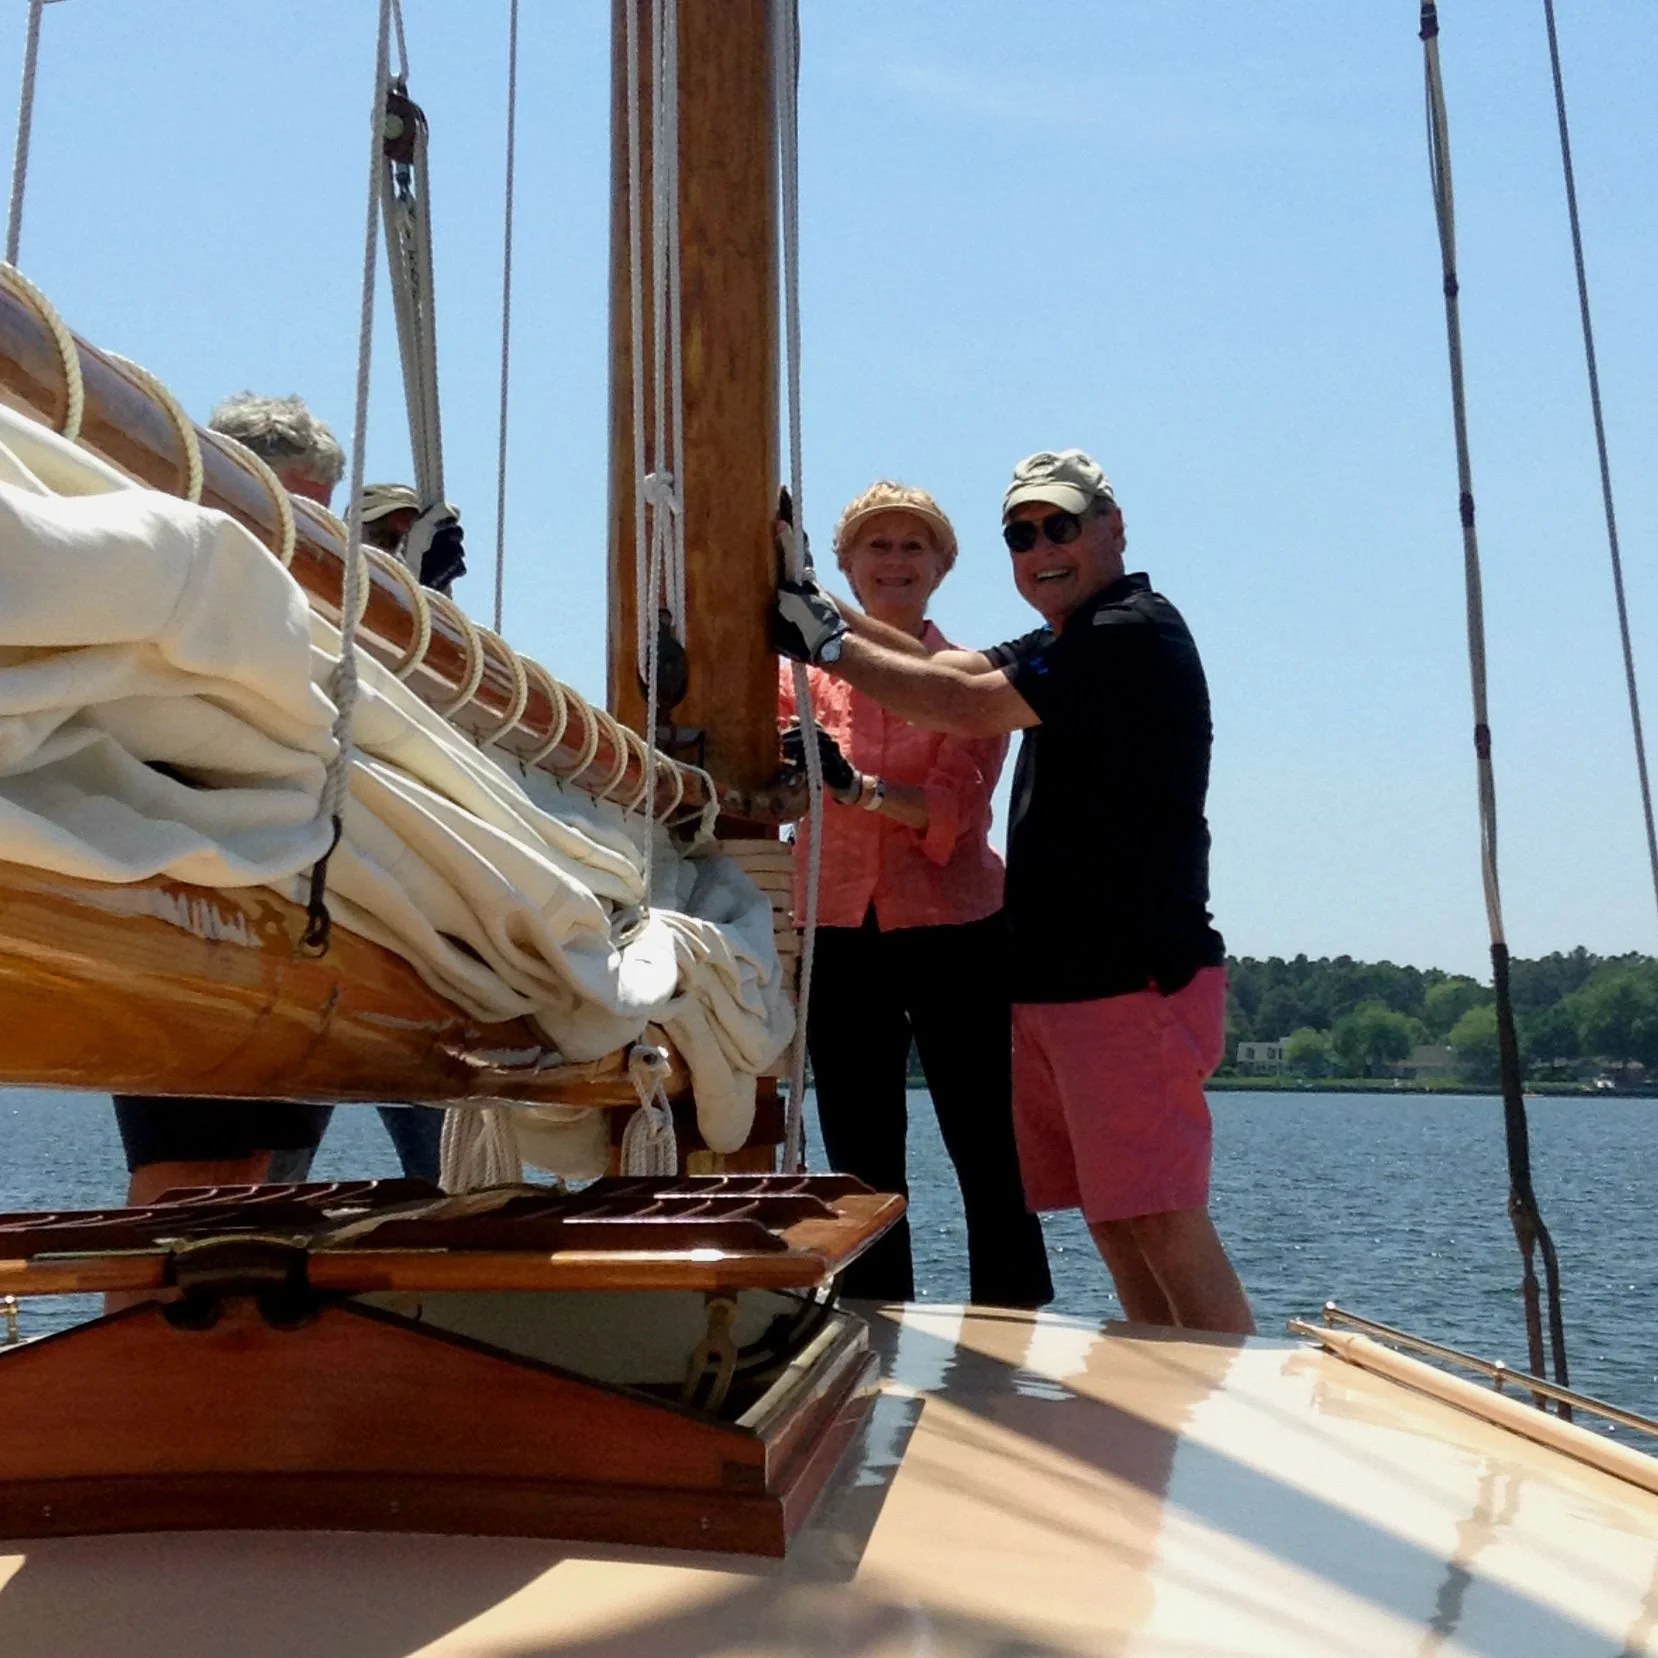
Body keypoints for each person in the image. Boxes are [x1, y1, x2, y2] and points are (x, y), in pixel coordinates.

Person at [774, 450, 1254, 1335]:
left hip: (1123, 974)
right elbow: (954, 682)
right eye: (1022, 535)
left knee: (1148, 1211)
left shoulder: (1127, 632)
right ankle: (1160, 1408)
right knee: (1116, 1218)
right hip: (1051, 978)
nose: (1041, 547)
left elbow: (959, 710)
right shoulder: (1069, 636)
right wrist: (809, 609)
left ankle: (1223, 1423)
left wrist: (825, 645)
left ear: (1112, 529)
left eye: (1061, 527)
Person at [111, 397, 441, 1203]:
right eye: (289, 512)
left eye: (317, 522)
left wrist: (412, 604)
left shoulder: (309, 612)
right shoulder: (167, 577)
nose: (301, 539)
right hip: (192, 917)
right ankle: (159, 1324)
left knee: (265, 1182)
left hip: (302, 916)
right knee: (188, 1184)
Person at [779, 481, 1051, 1308]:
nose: (894, 561)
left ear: (940, 567)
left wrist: (854, 787)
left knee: (987, 1140)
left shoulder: (969, 682)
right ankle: (872, 1323)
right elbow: (760, 790)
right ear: (847, 570)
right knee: (859, 1155)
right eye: (878, 546)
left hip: (958, 932)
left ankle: (1012, 1325)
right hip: (836, 930)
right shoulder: (793, 682)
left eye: (911, 547)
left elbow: (956, 817)